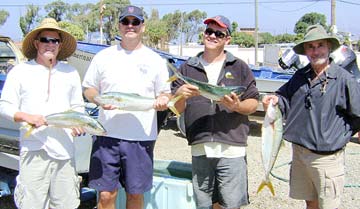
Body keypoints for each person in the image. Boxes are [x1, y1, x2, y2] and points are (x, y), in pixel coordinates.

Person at [82, 5, 171, 209]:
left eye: (135, 22)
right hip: (105, 135)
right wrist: (99, 100)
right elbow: (89, 89)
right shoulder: (103, 57)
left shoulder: (155, 60)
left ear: (143, 26)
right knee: (105, 195)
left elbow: (164, 93)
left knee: (135, 195)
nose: (130, 26)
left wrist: (164, 100)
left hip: (141, 137)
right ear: (119, 25)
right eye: (125, 21)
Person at [262, 25, 360, 209]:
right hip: (299, 154)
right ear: (305, 51)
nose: (315, 51)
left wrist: (342, 134)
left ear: (329, 47)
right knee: (310, 202)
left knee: (328, 206)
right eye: (310, 47)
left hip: (327, 159)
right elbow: (285, 97)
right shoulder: (300, 75)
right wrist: (275, 99)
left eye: (320, 45)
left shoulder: (344, 79)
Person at [171, 15, 259, 209]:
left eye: (219, 33)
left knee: (231, 204)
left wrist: (237, 106)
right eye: (209, 31)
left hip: (232, 148)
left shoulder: (239, 67)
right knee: (203, 204)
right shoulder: (187, 67)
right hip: (199, 147)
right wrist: (180, 95)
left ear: (227, 39)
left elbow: (253, 102)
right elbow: (176, 110)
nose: (212, 36)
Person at [0, 18, 84, 209]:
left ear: (60, 45)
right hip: (33, 150)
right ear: (36, 43)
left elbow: (78, 107)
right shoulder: (20, 71)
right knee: (31, 204)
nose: (50, 44)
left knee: (66, 205)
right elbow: (4, 106)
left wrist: (78, 124)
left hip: (64, 153)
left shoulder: (70, 73)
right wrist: (27, 117)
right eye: (45, 39)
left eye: (55, 40)